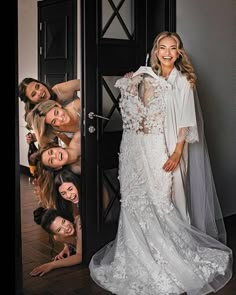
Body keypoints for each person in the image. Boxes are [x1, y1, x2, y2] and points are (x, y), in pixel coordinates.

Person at [89, 31, 232, 294]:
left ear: (179, 52)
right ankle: (146, 252)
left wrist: (177, 153)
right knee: (146, 201)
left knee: (172, 201)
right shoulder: (148, 79)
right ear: (155, 51)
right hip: (150, 145)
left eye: (173, 47)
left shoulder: (184, 80)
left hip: (173, 148)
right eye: (162, 47)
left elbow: (187, 122)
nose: (167, 52)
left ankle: (175, 253)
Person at [34, 130, 81, 207]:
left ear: (57, 147)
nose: (54, 156)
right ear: (57, 167)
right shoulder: (73, 173)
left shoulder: (78, 137)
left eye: (51, 152)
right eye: (51, 161)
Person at [30, 207, 82, 277]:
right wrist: (67, 247)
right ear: (55, 234)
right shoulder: (58, 237)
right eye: (59, 229)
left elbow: (80, 256)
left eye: (63, 221)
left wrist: (51, 265)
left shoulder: (79, 223)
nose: (66, 228)